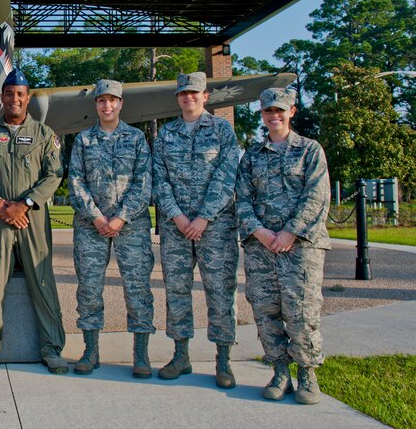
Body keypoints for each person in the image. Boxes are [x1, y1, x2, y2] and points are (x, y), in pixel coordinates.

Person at [0, 68, 67, 375]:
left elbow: (54, 175)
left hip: (32, 217)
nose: (15, 99)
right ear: (2, 97)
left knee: (42, 281)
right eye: (9, 93)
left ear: (28, 98)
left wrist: (24, 204)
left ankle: (51, 348)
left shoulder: (44, 134)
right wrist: (0, 205)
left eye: (21, 94)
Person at [236, 88, 330, 405]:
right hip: (261, 247)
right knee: (266, 312)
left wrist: (290, 232)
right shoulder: (251, 156)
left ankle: (307, 374)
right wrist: (260, 232)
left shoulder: (309, 151)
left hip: (300, 247)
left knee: (301, 312)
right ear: (262, 115)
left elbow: (317, 196)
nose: (273, 116)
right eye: (267, 111)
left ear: (291, 111)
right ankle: (279, 372)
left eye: (279, 110)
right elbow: (242, 199)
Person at [152, 71, 239, 389]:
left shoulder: (222, 130)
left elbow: (227, 175)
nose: (188, 97)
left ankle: (224, 360)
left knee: (219, 292)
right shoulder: (166, 134)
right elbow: (158, 178)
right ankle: (180, 355)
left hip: (214, 227)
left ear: (205, 96)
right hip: (176, 228)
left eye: (194, 92)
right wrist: (176, 216)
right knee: (176, 292)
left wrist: (203, 217)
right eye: (183, 93)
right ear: (177, 97)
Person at [67, 79, 155, 376]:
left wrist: (120, 217)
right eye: (102, 101)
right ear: (96, 105)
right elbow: (75, 181)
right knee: (90, 288)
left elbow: (144, 183)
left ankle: (141, 355)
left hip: (131, 225)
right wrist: (96, 217)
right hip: (90, 225)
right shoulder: (84, 139)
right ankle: (91, 351)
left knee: (137, 288)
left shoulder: (136, 138)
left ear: (121, 104)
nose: (107, 106)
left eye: (112, 100)